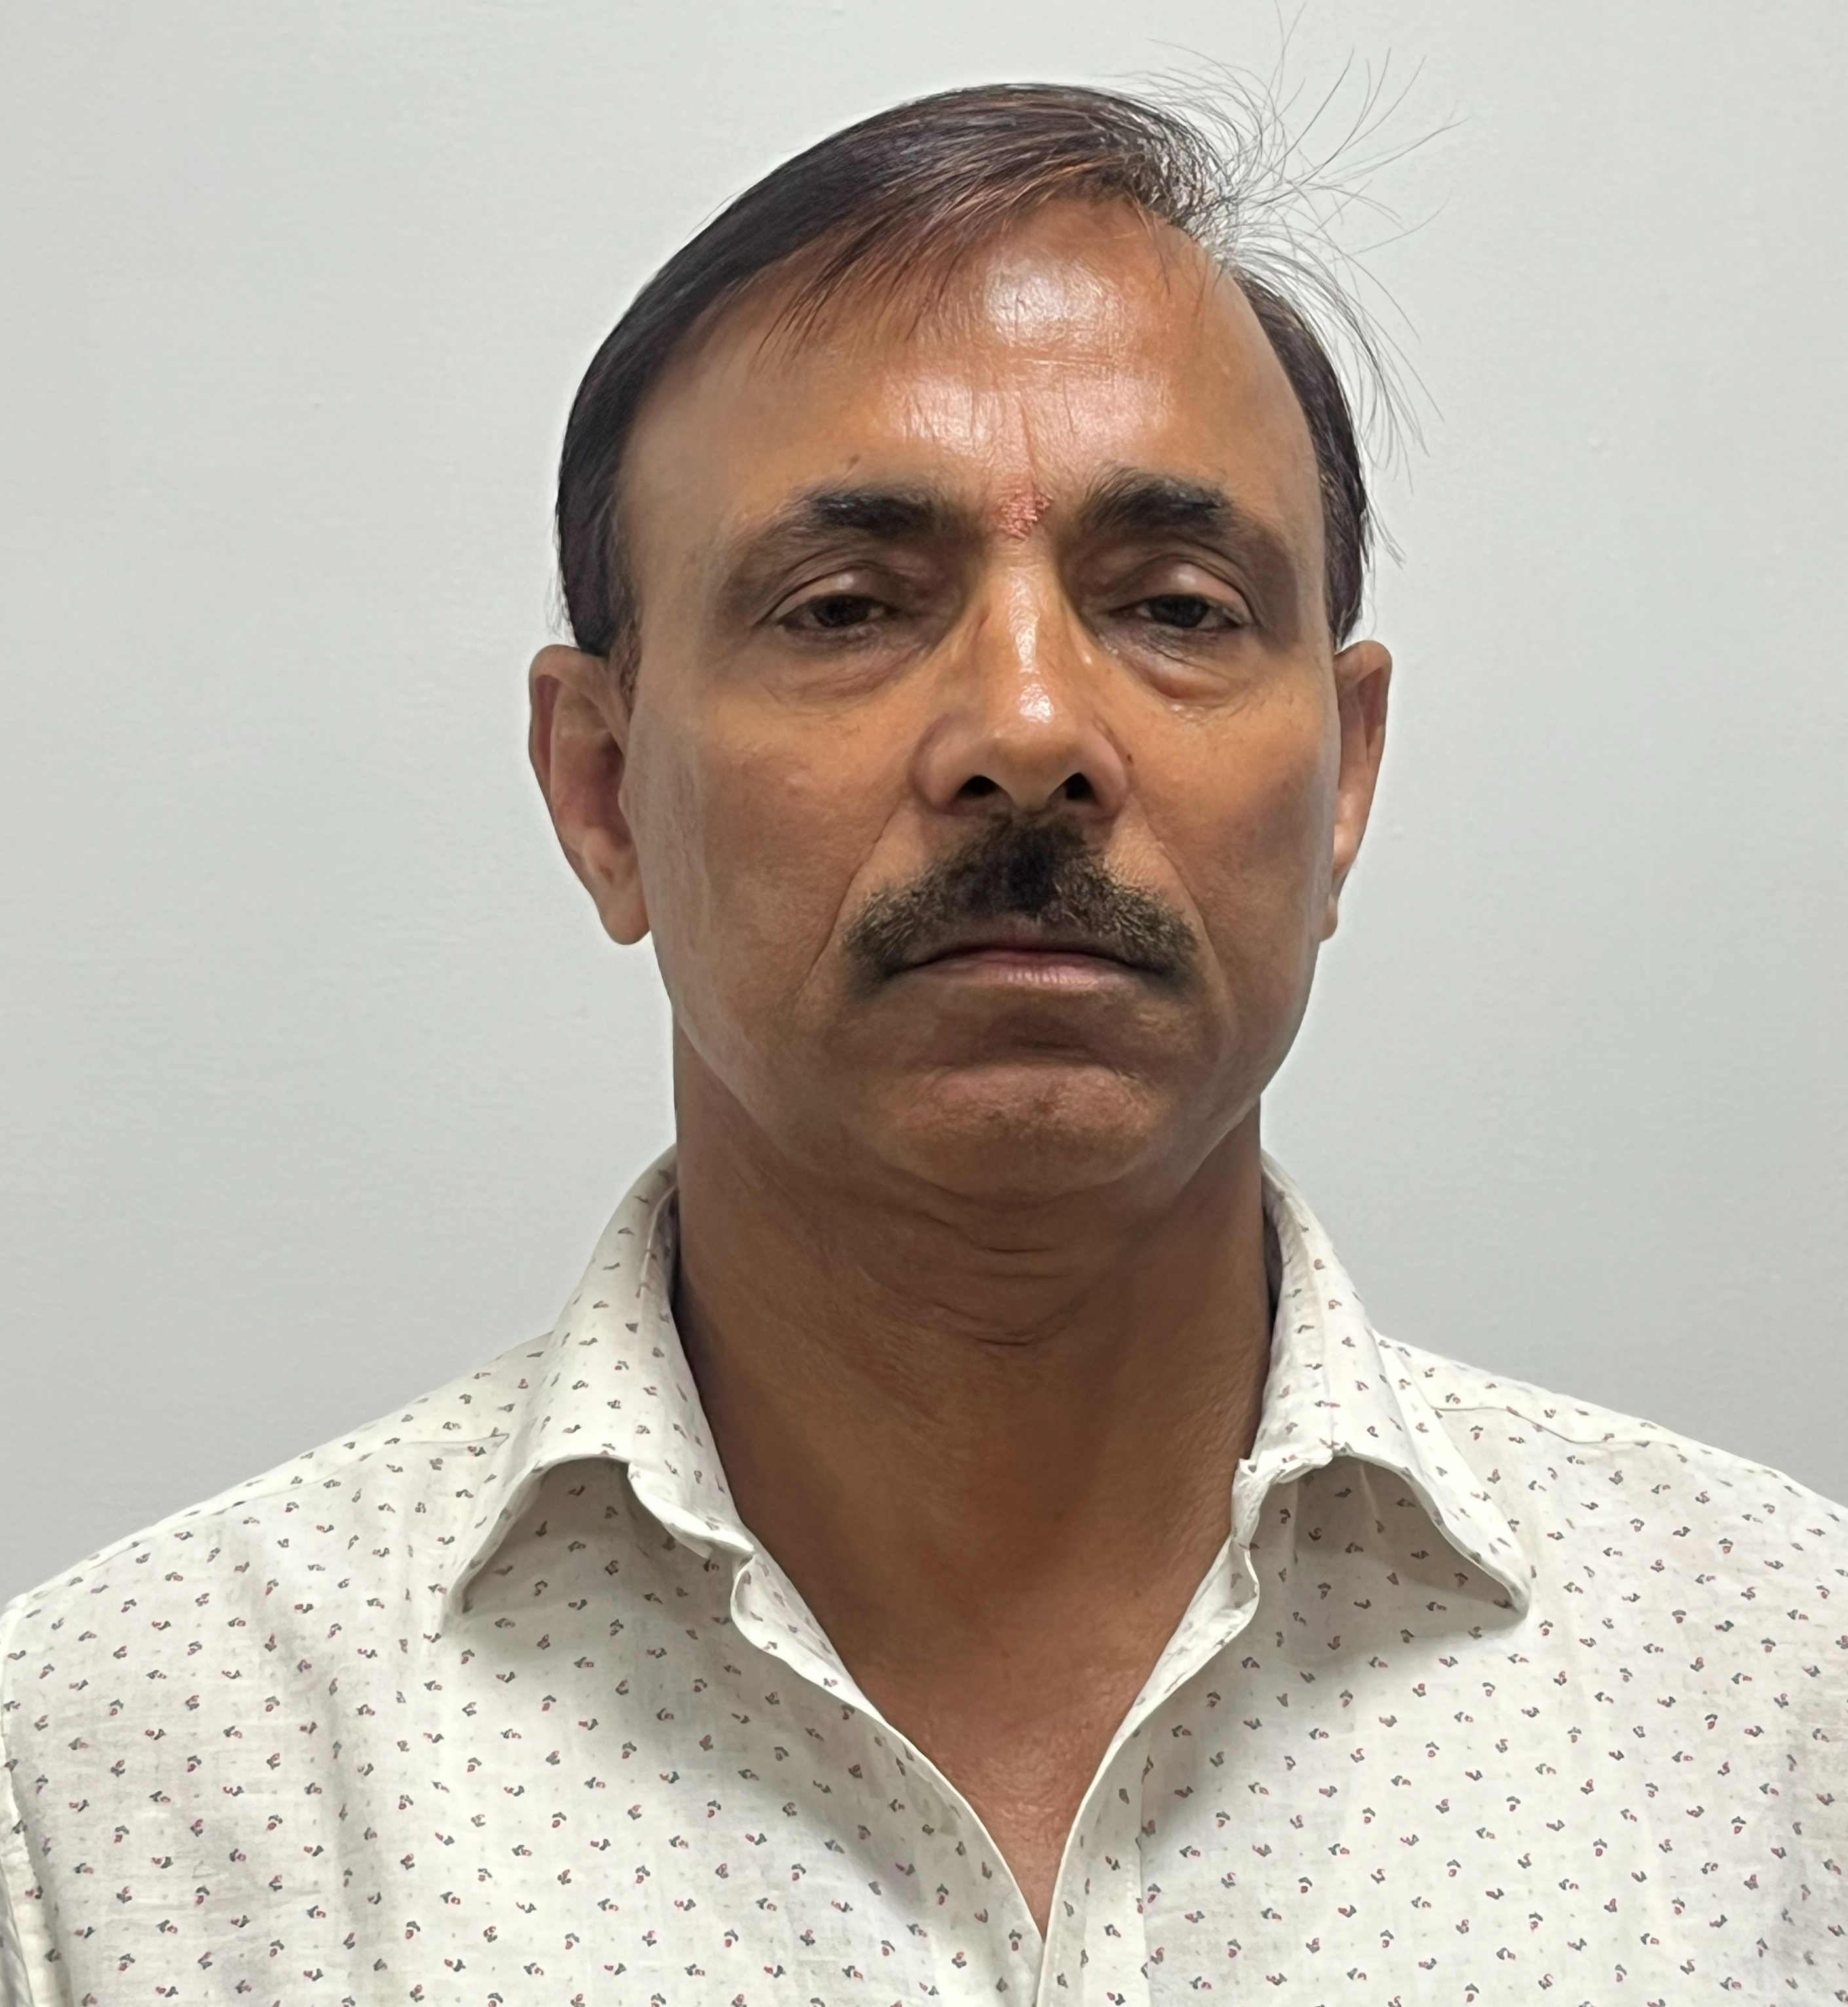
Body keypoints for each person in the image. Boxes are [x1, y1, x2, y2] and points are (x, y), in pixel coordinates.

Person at [3, 81, 1842, 2007]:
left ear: (1345, 782)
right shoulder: (118, 1784)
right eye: (846, 609)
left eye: (1177, 607)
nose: (1029, 729)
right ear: (604, 791)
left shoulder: (1782, 1698)